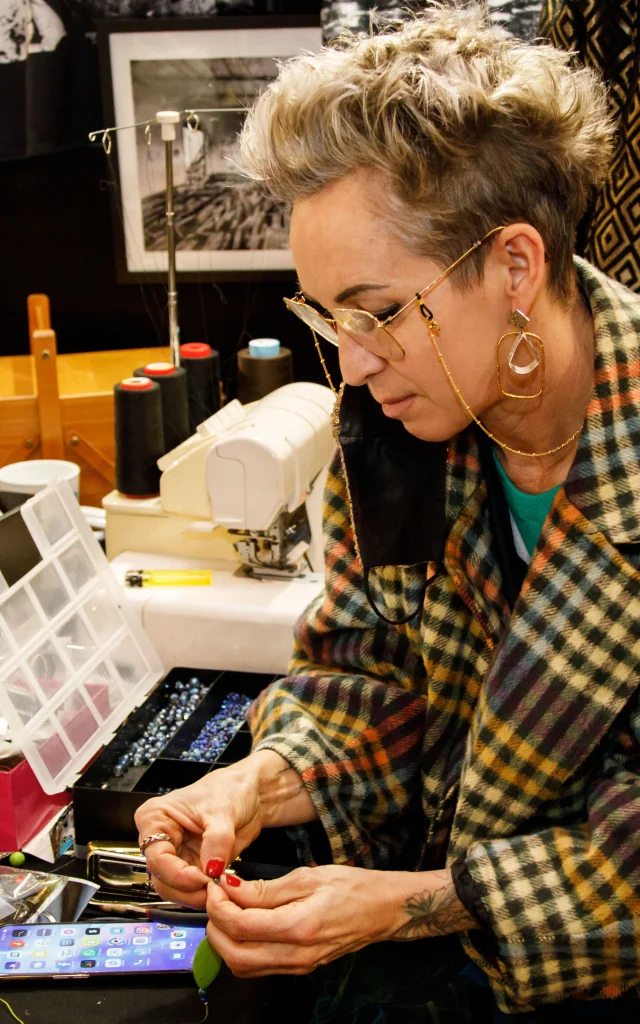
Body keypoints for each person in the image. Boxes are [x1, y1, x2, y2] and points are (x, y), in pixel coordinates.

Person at [135, 5, 640, 1020]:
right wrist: (256, 785)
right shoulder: (392, 443)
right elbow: (370, 678)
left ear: (513, 266)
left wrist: (410, 906)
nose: (353, 366)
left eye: (378, 313)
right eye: (327, 317)